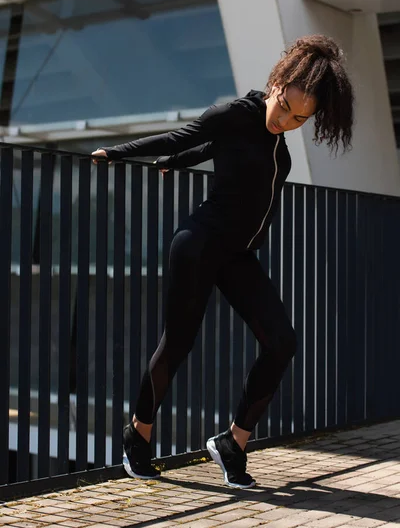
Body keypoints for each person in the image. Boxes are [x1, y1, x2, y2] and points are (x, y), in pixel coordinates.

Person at [92, 34, 354, 489]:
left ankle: (233, 442)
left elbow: (212, 151)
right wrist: (119, 152)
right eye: (285, 108)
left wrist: (179, 163)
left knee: (282, 342)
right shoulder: (235, 113)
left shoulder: (277, 144)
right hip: (199, 244)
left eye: (299, 119)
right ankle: (137, 435)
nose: (286, 121)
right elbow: (187, 135)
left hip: (238, 255)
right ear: (277, 85)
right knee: (177, 344)